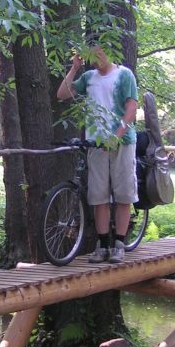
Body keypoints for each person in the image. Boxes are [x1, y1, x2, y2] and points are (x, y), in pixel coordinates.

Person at [56, 44, 138, 263]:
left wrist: (116, 136)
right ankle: (102, 246)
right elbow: (62, 94)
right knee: (99, 196)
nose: (94, 60)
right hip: (96, 144)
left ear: (107, 52)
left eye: (98, 54)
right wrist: (74, 68)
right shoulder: (89, 77)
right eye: (90, 56)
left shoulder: (124, 75)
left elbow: (131, 109)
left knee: (123, 195)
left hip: (122, 142)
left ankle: (118, 244)